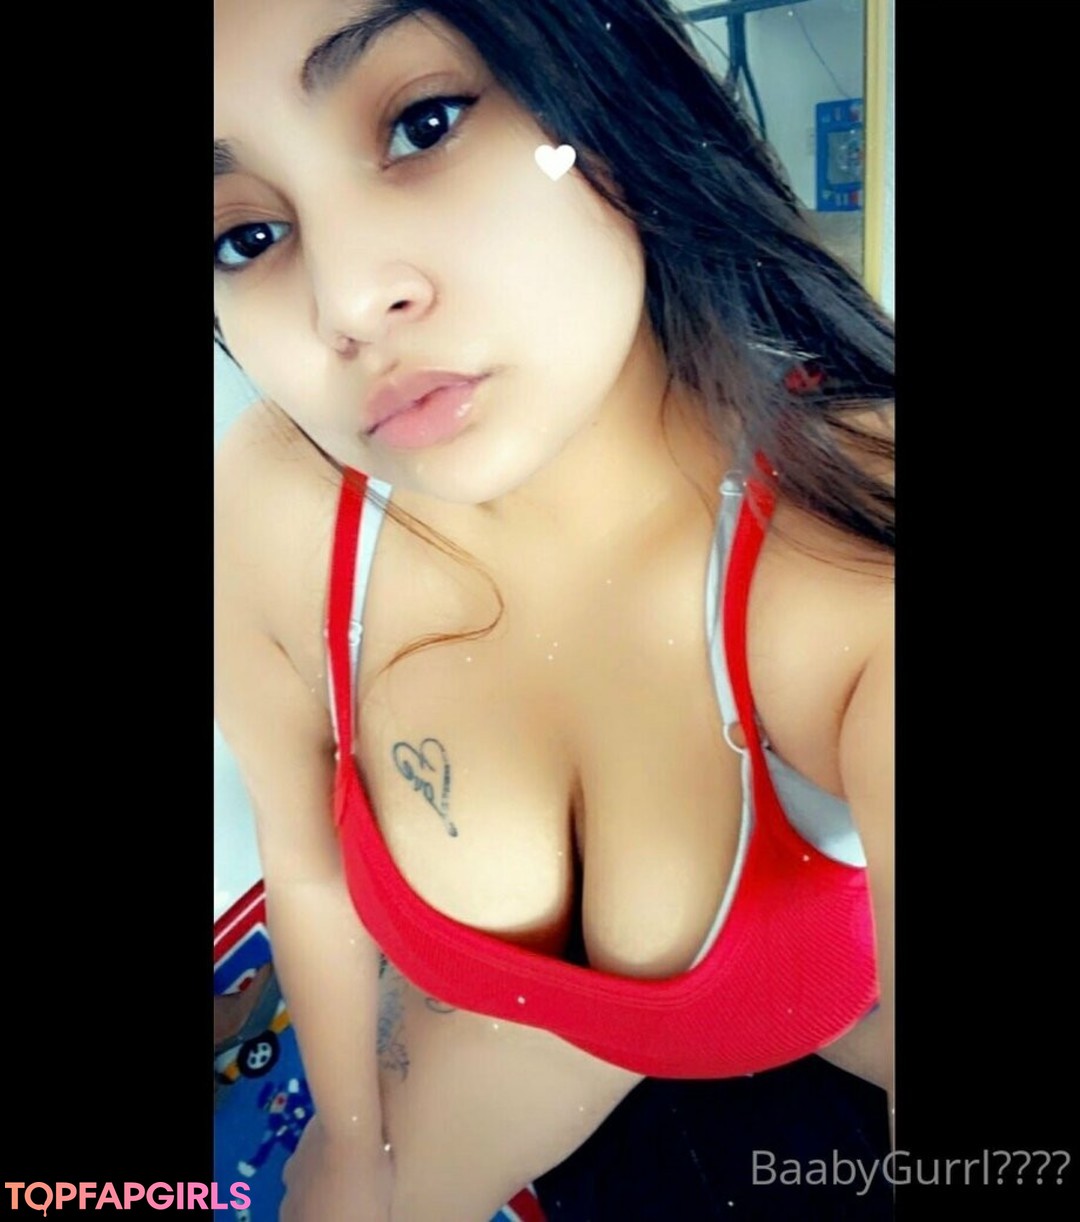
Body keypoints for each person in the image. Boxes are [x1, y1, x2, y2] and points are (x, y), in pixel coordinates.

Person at [213, 0, 894, 1218]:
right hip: (526, 1029)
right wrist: (349, 1143)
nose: (346, 303)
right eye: (245, 235)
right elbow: (305, 867)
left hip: (825, 997)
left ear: (605, 88)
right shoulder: (271, 506)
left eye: (425, 123)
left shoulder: (854, 546)